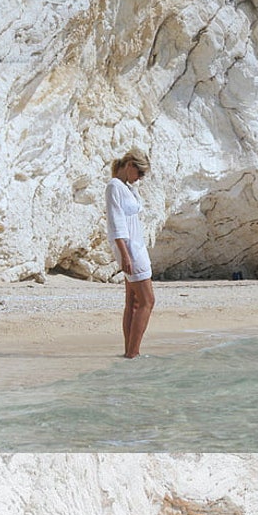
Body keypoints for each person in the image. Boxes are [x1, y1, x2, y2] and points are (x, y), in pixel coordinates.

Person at [105, 149, 154, 359]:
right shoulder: (114, 187)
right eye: (140, 173)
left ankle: (129, 353)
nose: (141, 178)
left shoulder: (126, 187)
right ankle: (134, 353)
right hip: (130, 248)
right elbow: (116, 222)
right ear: (130, 166)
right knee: (147, 301)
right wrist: (124, 255)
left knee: (134, 302)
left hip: (136, 246)